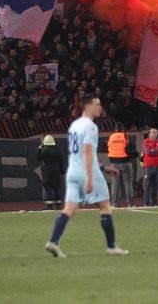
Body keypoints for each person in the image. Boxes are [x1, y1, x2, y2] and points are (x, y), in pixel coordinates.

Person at [44, 96, 128, 257]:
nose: (100, 107)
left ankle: (53, 242)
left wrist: (102, 167)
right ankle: (111, 246)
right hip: (87, 172)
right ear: (87, 106)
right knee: (105, 206)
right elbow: (87, 152)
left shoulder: (74, 125)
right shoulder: (90, 127)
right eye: (97, 104)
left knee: (69, 209)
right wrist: (90, 177)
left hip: (73, 171)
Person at [106, 123, 133, 207]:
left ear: (115, 129)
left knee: (115, 184)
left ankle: (114, 204)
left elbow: (108, 147)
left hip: (114, 163)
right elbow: (129, 148)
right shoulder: (125, 135)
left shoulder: (111, 137)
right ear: (122, 129)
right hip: (125, 161)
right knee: (128, 182)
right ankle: (130, 203)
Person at [37, 135, 66, 211]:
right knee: (57, 189)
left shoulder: (45, 150)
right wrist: (62, 171)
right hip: (56, 172)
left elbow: (38, 158)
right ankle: (58, 206)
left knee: (48, 189)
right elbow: (61, 161)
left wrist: (39, 149)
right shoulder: (57, 150)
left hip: (48, 172)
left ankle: (49, 206)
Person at [142, 128, 158, 207]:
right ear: (149, 134)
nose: (155, 134)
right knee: (147, 186)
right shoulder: (145, 142)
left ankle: (154, 202)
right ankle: (146, 203)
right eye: (153, 132)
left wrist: (154, 151)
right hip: (148, 168)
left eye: (156, 132)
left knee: (156, 186)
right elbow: (148, 152)